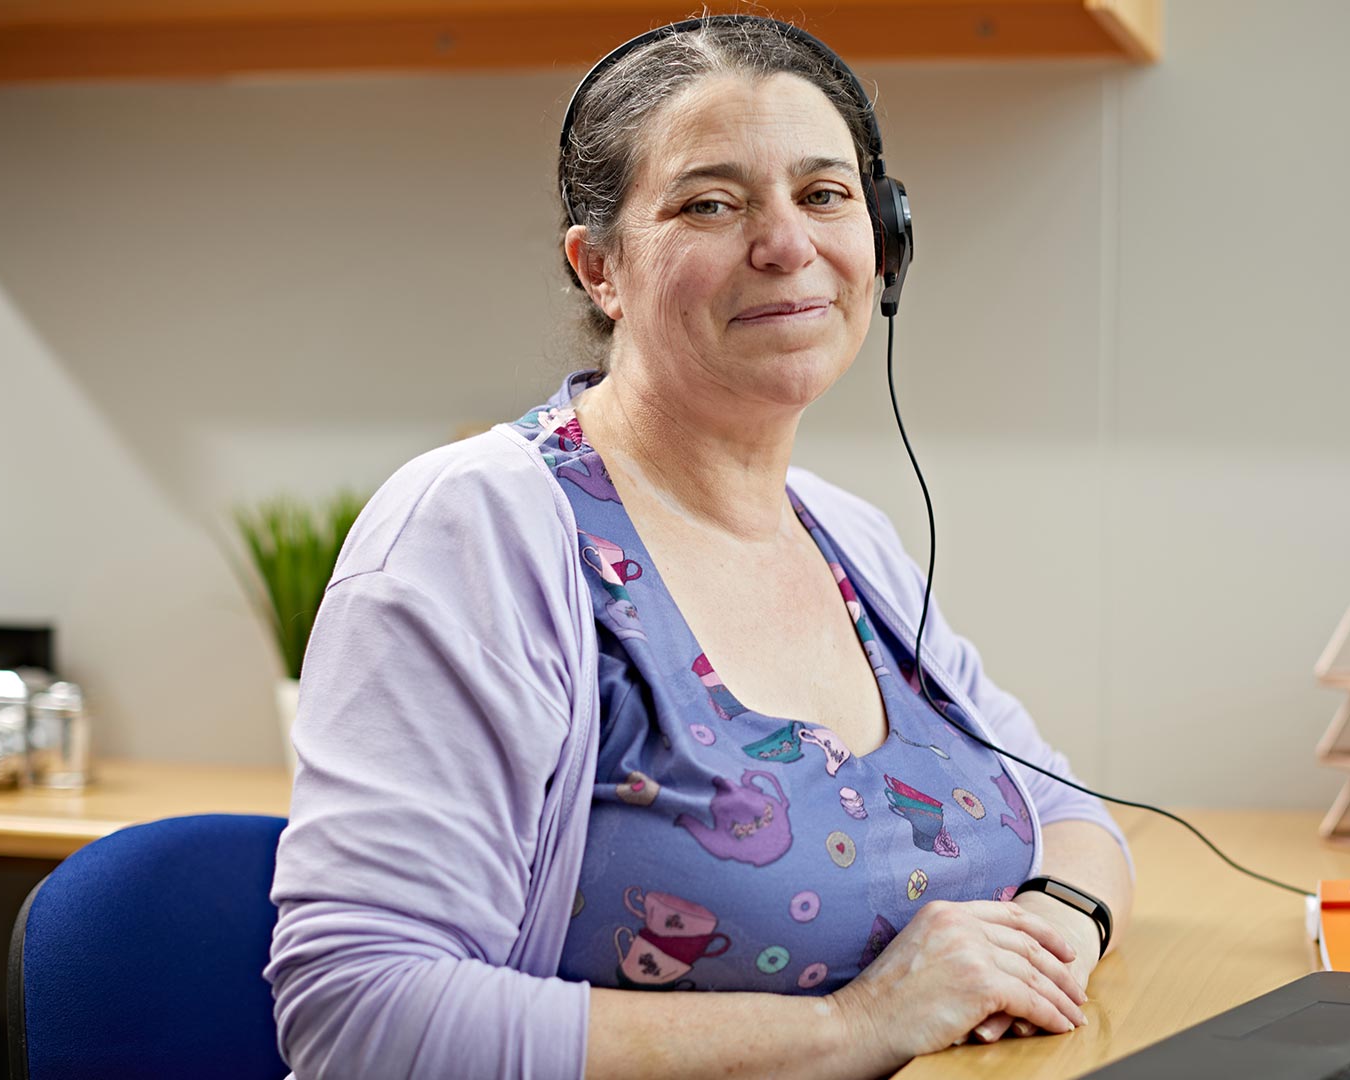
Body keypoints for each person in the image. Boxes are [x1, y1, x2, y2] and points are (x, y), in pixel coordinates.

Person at [265, 15, 1134, 1078]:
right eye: (711, 204)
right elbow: (360, 1015)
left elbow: (1066, 815)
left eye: (824, 195)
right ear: (601, 269)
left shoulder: (845, 535)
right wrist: (855, 1029)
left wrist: (1054, 938)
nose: (786, 244)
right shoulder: (476, 531)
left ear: (886, 238)